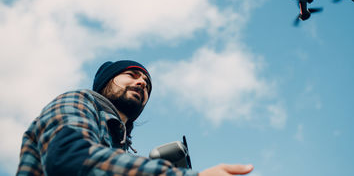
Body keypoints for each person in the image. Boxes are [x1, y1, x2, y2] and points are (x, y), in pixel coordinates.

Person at [17, 60, 254, 176]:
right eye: (131, 75)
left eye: (147, 84)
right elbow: (68, 159)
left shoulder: (119, 151)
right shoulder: (78, 100)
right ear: (105, 82)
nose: (141, 82)